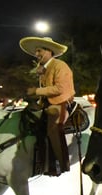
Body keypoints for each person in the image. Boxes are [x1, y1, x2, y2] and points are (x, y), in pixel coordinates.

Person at [20, 36, 76, 176]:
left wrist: (36, 91)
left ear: (49, 51)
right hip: (47, 103)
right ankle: (41, 161)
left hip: (62, 102)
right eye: (36, 52)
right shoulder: (43, 69)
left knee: (53, 129)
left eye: (39, 51)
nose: (36, 54)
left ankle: (60, 164)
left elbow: (60, 89)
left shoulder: (60, 66)